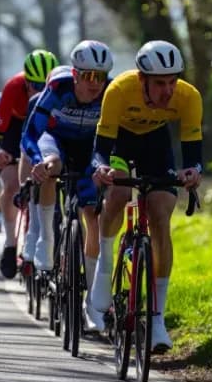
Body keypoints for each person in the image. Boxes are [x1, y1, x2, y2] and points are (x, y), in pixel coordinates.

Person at [87, 40, 204, 353]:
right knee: (120, 191)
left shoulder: (188, 96)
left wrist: (193, 171)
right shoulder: (119, 91)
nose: (168, 90)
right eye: (159, 83)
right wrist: (100, 168)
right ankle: (105, 266)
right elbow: (100, 149)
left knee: (161, 212)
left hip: (156, 145)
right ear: (142, 80)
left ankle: (156, 319)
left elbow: (193, 153)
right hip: (121, 143)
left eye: (172, 82)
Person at [22, 40, 112, 296]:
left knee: (92, 214)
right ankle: (46, 239)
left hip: (89, 148)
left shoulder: (110, 92)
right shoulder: (58, 87)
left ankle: (93, 294)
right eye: (89, 76)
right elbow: (31, 133)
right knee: (52, 166)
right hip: (56, 140)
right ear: (75, 74)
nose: (96, 83)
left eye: (101, 76)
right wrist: (37, 161)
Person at [0, 49, 59, 278]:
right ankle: (10, 243)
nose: (40, 92)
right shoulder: (13, 87)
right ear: (26, 82)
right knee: (11, 186)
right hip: (16, 128)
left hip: (43, 127)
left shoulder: (59, 89)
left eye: (44, 86)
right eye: (35, 86)